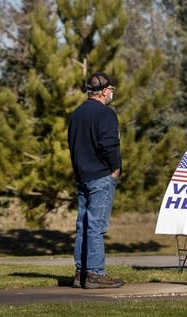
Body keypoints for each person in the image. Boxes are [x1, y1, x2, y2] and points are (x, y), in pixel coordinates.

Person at [68, 72, 123, 289]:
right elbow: (109, 144)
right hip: (101, 175)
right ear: (102, 91)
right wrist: (115, 169)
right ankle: (95, 274)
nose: (111, 94)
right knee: (96, 226)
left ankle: (80, 272)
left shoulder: (77, 114)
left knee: (83, 225)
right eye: (110, 90)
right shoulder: (105, 114)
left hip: (82, 175)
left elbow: (72, 144)